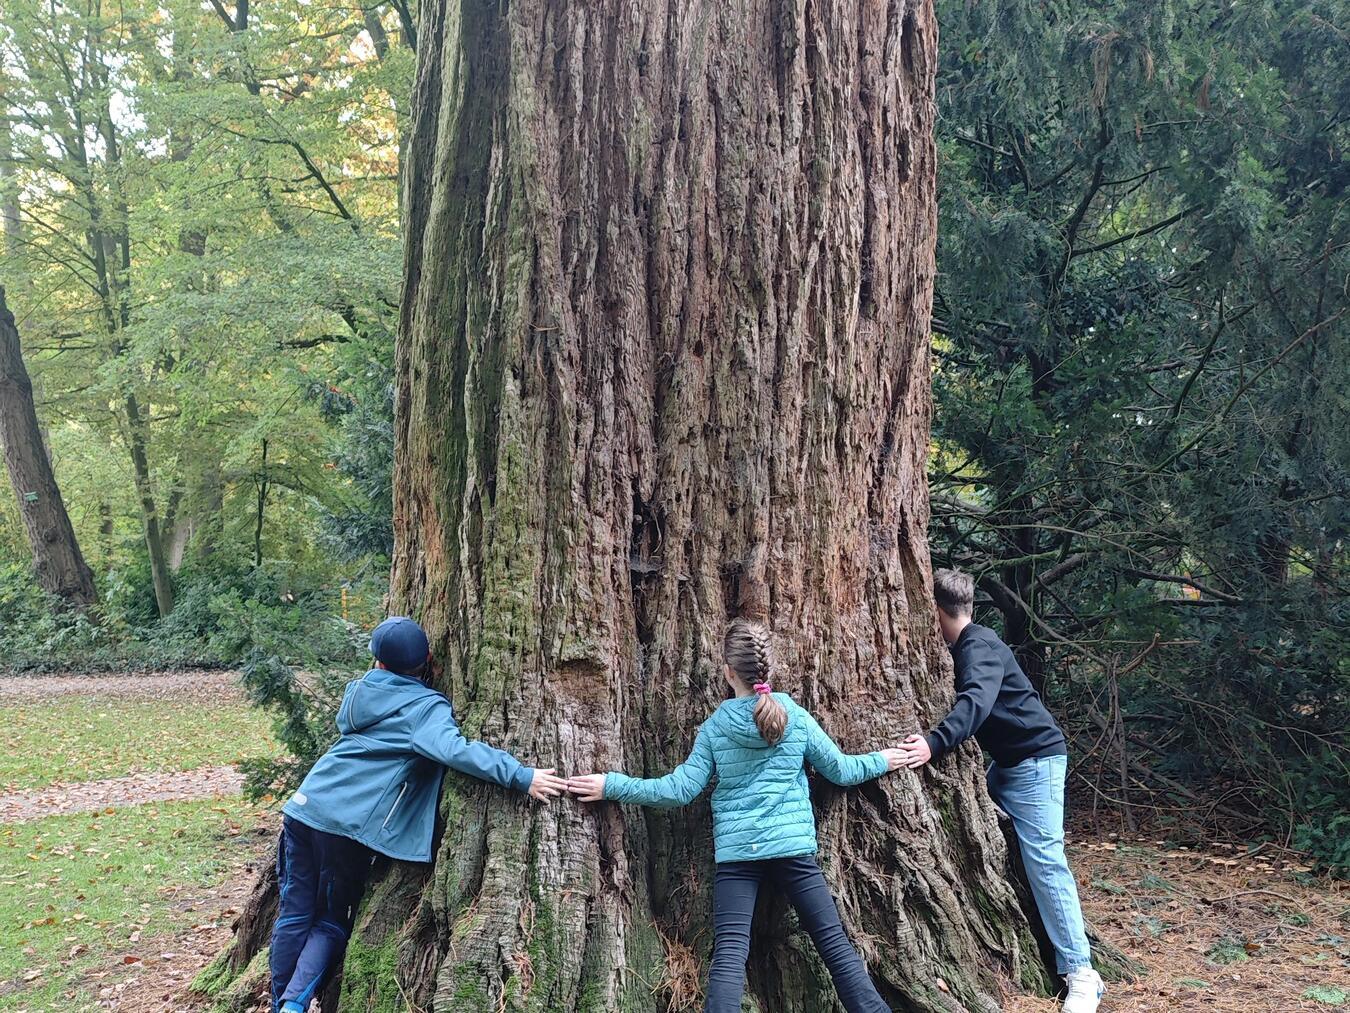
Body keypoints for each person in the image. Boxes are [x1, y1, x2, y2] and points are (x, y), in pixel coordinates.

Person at [568, 618, 904, 1013]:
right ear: (769, 669)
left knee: (729, 954)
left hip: (738, 855)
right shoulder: (794, 716)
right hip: (793, 848)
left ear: (728, 672)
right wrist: (886, 758)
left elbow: (679, 790)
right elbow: (842, 771)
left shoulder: (715, 727)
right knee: (834, 944)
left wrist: (612, 785)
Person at [268, 616, 567, 1013]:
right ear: (428, 659)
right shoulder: (425, 708)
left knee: (295, 912)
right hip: (344, 826)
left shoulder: (359, 694)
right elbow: (455, 750)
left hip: (304, 807)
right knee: (331, 920)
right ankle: (292, 1005)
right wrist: (520, 775)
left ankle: (278, 1002)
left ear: (376, 660)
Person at [897, 569, 1104, 1013]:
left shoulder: (980, 646)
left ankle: (1082, 973)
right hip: (1007, 766)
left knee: (1046, 860)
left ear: (935, 612)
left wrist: (934, 742)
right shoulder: (967, 646)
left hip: (1035, 763)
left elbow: (976, 700)